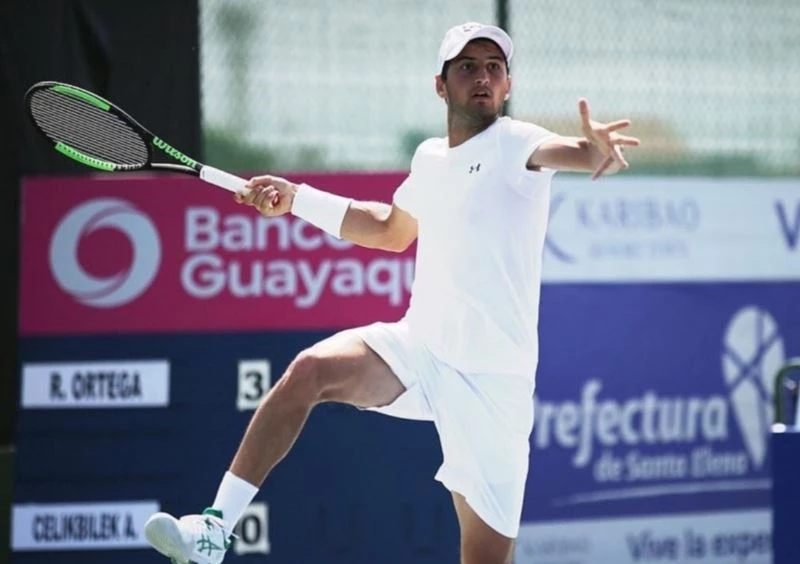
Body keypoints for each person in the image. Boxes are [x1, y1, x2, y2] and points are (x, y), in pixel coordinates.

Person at [143, 21, 640, 564]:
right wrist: (297, 198)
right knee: (309, 370)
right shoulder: (429, 159)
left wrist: (594, 152)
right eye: (468, 66)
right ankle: (215, 529)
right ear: (440, 85)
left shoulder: (517, 143)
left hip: (494, 384)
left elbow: (568, 151)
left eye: (494, 68)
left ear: (507, 85)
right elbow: (389, 228)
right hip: (420, 349)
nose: (483, 77)